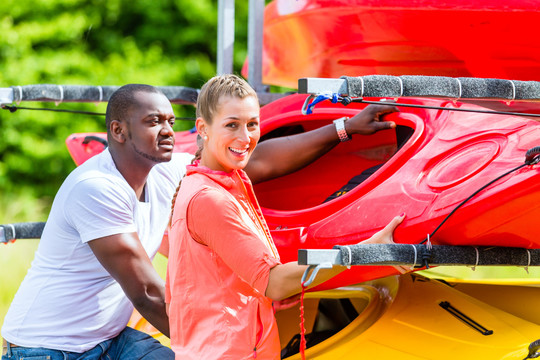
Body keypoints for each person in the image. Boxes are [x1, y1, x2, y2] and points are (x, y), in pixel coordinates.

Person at [1, 82, 398, 359]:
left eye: (172, 121)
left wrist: (344, 128)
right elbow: (148, 292)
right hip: (47, 348)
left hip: (110, 339)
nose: (169, 131)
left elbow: (254, 160)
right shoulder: (96, 188)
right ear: (118, 131)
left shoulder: (164, 170)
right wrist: (211, 347)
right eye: (154, 122)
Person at [165, 74, 405, 359]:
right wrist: (362, 253)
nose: (245, 138)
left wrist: (347, 127)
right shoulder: (210, 199)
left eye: (252, 124)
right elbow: (275, 282)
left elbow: (268, 158)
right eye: (232, 125)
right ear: (202, 129)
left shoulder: (211, 178)